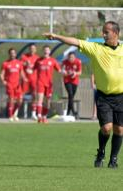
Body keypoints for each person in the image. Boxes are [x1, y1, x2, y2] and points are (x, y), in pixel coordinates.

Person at [45, 21, 123, 168]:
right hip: (104, 96)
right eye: (103, 31)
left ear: (116, 33)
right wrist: (55, 36)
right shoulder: (96, 48)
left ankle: (113, 159)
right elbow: (75, 41)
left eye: (106, 32)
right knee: (106, 128)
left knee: (119, 130)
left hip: (121, 96)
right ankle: (101, 152)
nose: (103, 34)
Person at [34, 45, 61, 124]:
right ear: (43, 51)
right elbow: (33, 69)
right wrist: (28, 70)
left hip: (49, 84)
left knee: (48, 102)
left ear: (49, 51)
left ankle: (44, 116)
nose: (46, 51)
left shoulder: (53, 61)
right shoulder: (38, 60)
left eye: (47, 50)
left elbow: (59, 70)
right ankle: (39, 116)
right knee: (40, 100)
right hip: (40, 82)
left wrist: (64, 72)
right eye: (45, 50)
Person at [0, 48, 26, 122]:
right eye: (11, 53)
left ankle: (14, 113)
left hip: (18, 85)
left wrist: (24, 78)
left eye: (14, 53)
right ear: (9, 54)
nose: (13, 54)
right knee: (11, 99)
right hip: (10, 84)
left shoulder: (19, 63)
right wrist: (3, 81)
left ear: (15, 54)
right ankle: (10, 116)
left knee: (20, 100)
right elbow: (2, 74)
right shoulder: (5, 63)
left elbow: (22, 73)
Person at [21, 43, 40, 119]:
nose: (32, 50)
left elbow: (39, 69)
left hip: (34, 80)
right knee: (20, 96)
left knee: (34, 95)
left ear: (35, 50)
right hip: (25, 79)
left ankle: (33, 113)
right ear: (29, 49)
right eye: (31, 48)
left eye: (33, 48)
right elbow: (20, 67)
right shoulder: (24, 57)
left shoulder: (37, 58)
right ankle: (14, 113)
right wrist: (25, 63)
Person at [61, 52, 82, 117]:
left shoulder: (78, 61)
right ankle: (73, 111)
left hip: (75, 81)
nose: (71, 58)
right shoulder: (64, 62)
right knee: (70, 94)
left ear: (75, 57)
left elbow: (80, 72)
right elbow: (62, 70)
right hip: (67, 80)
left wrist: (75, 73)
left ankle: (68, 111)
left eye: (72, 57)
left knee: (71, 96)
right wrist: (64, 72)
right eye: (69, 57)